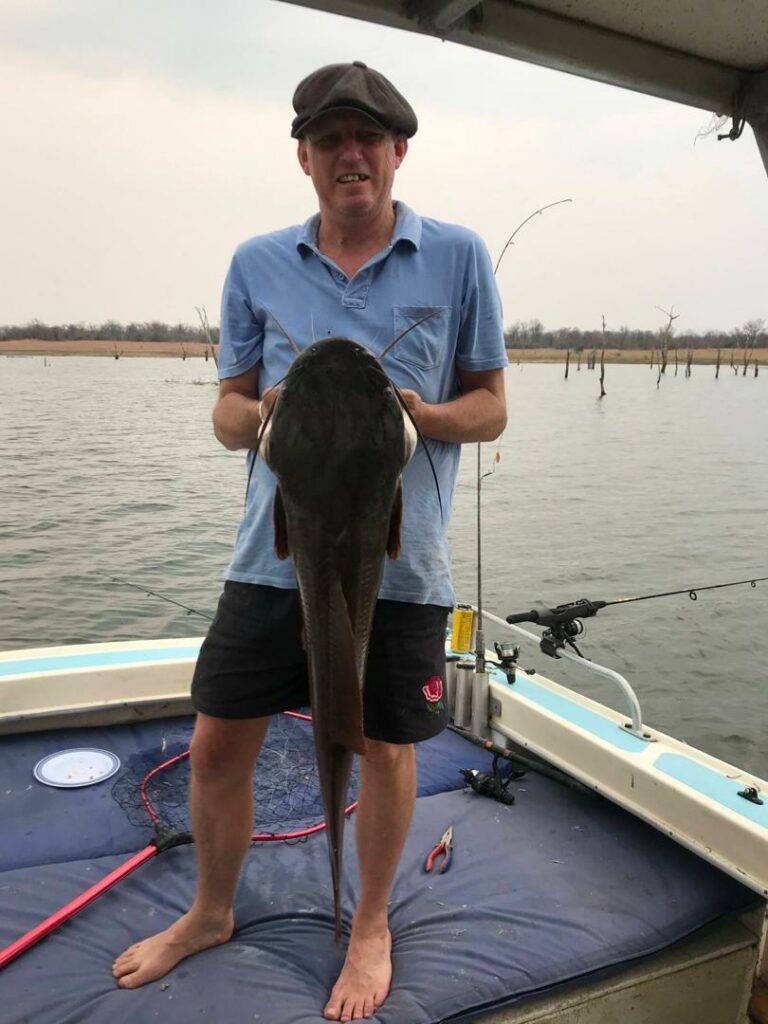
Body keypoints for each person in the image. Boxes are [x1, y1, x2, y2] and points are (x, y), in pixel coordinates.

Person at [112, 60, 508, 1021]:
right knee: (216, 744)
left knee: (382, 747)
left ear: (399, 150)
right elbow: (228, 412)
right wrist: (265, 414)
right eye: (329, 140)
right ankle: (211, 910)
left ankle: (368, 924)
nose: (349, 155)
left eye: (367, 138)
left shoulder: (458, 256)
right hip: (270, 554)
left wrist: (419, 418)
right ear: (304, 157)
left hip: (401, 562)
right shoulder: (257, 263)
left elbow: (491, 408)